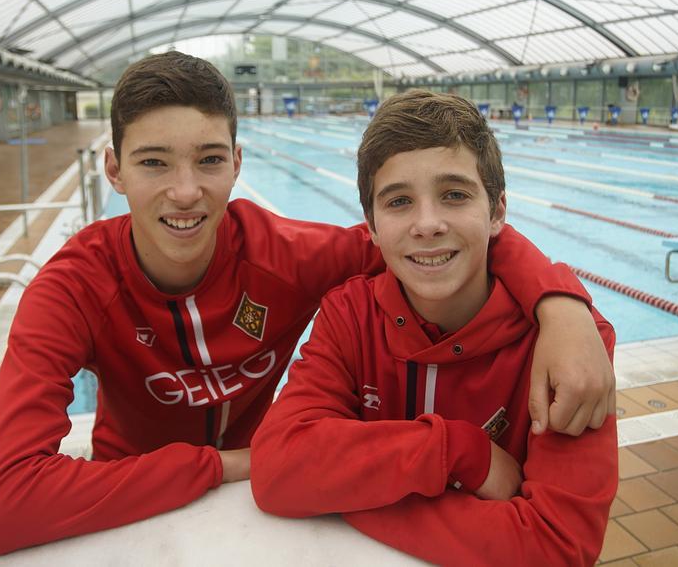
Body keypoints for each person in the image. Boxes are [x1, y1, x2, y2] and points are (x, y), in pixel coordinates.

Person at [0, 53, 615, 555]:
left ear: (236, 164)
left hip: (272, 504)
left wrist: (561, 304)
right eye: (154, 163)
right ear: (114, 171)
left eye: (209, 160)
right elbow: (5, 504)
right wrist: (224, 466)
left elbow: (435, 242)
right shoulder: (72, 289)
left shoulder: (289, 256)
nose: (186, 191)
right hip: (134, 501)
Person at [251, 90, 617, 565]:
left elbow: (555, 546)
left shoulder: (564, 347)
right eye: (399, 201)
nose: (427, 223)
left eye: (455, 195)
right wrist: (457, 451)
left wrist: (341, 495)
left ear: (498, 211)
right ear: (372, 226)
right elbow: (278, 469)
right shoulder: (349, 315)